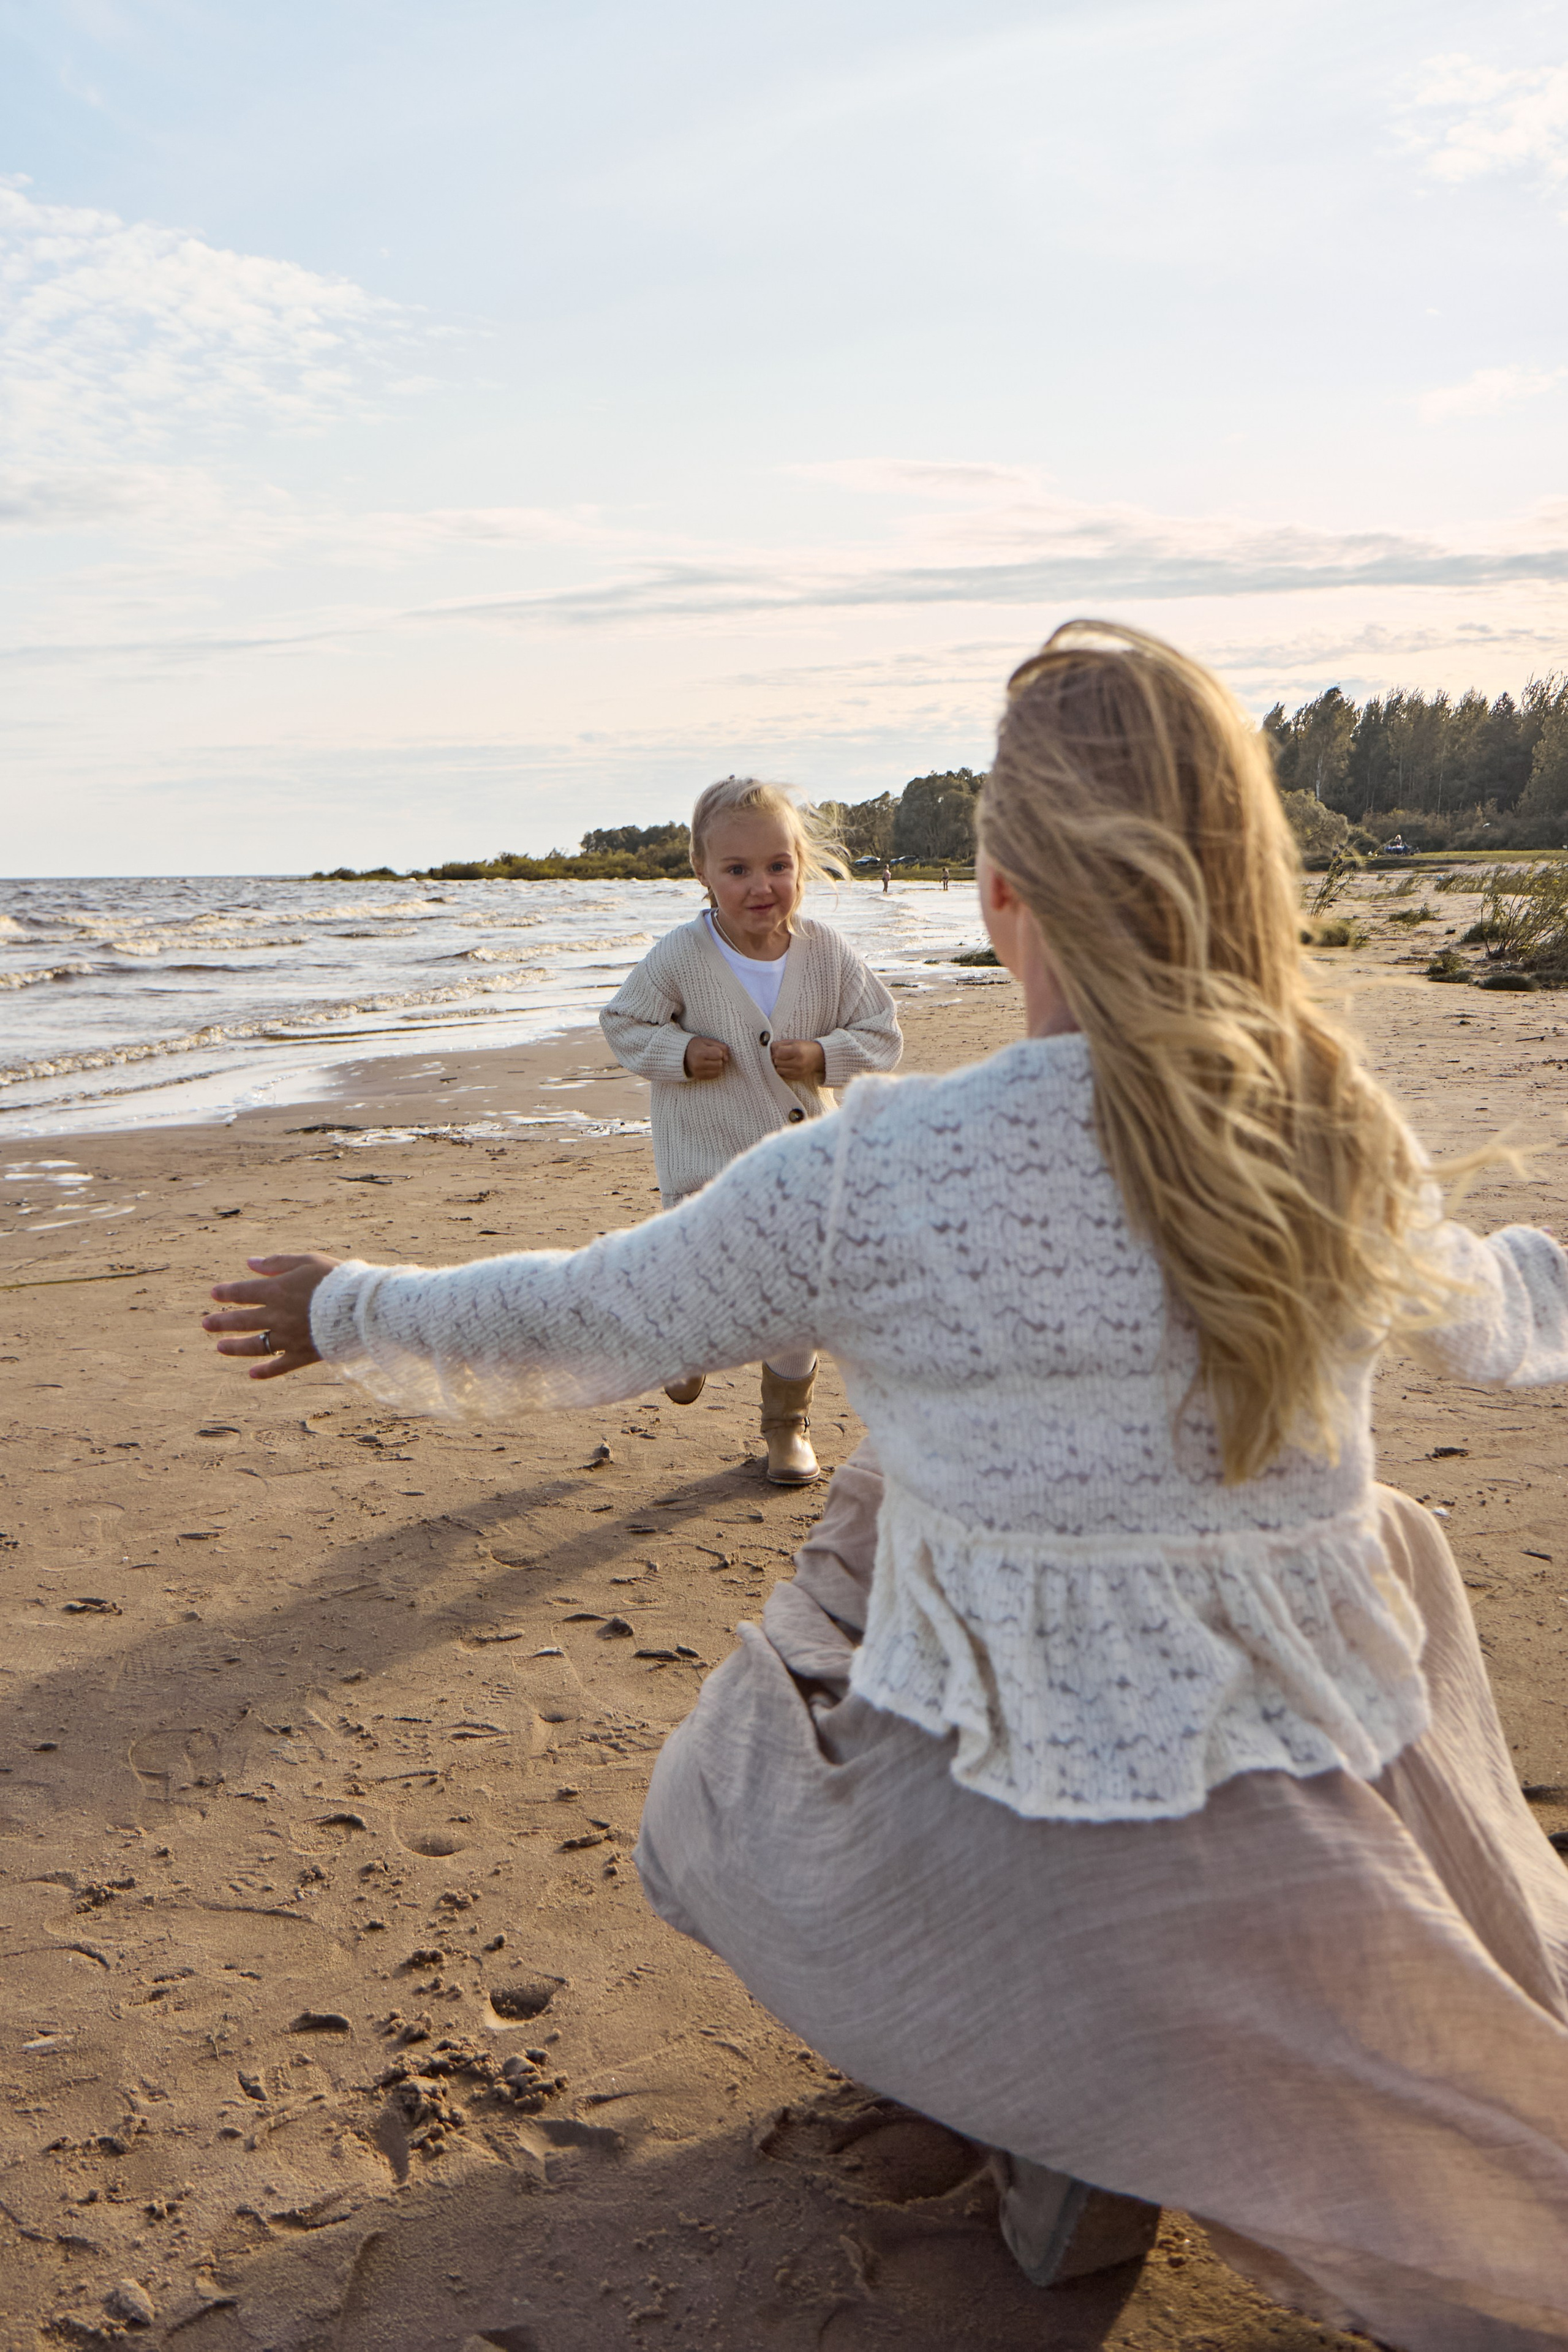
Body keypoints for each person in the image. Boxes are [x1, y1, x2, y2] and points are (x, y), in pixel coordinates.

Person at [202, 622, 1568, 2345]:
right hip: (1300, 1798)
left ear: (1000, 891)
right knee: (1265, 1532)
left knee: (741, 1764)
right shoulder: (1333, 1135)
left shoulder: (882, 1171)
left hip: (1009, 1832)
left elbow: (583, 1313)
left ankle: (1040, 2063)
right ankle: (1138, 2056)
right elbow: (1505, 1312)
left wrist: (344, 1305)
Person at [600, 775, 902, 1479]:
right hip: (704, 1164)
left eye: (777, 866)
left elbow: (882, 1033)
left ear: (801, 865)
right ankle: (679, 1344)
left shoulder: (825, 954)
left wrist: (828, 1054)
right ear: (702, 874)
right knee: (697, 1278)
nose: (759, 885)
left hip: (800, 1173)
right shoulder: (681, 956)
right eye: (736, 870)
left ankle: (785, 1427)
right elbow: (623, 1022)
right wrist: (677, 1053)